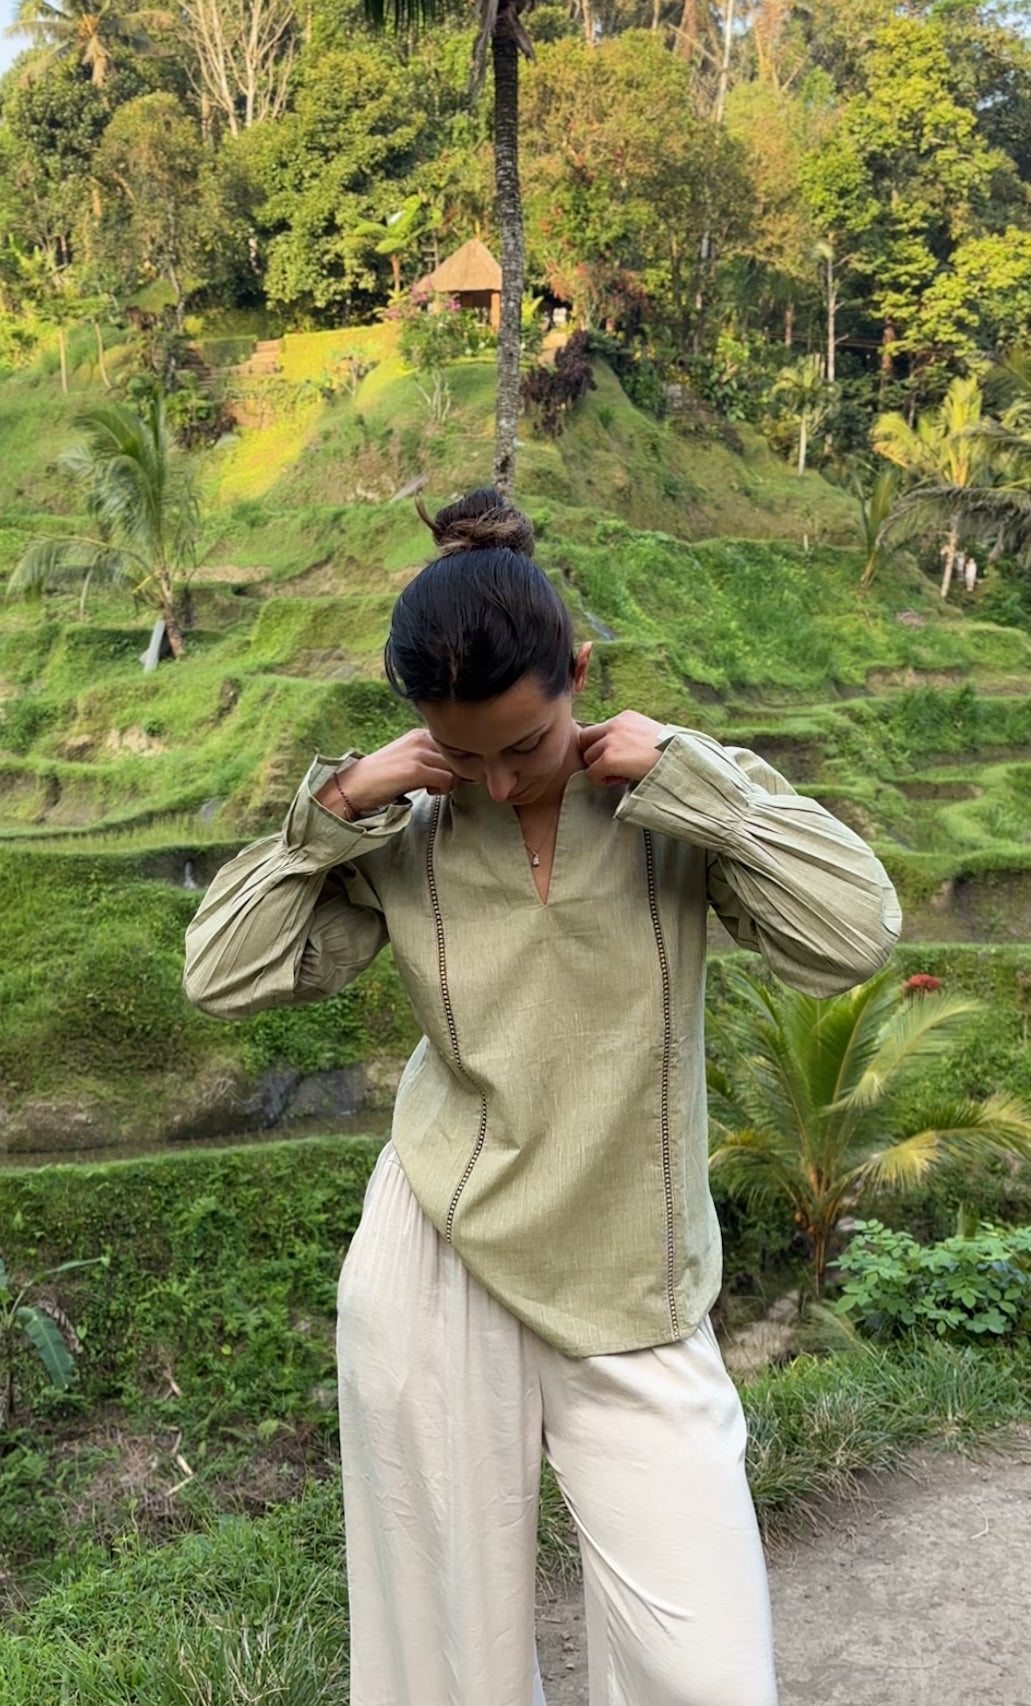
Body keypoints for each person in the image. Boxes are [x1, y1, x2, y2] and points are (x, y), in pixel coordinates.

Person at [183, 489, 902, 1706]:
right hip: (437, 1257)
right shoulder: (406, 828)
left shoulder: (672, 808)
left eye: (525, 743)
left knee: (707, 1672)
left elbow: (853, 932)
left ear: (577, 670)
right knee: (444, 1668)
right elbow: (217, 974)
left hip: (629, 1271)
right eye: (461, 753)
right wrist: (340, 809)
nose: (500, 778)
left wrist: (702, 782)